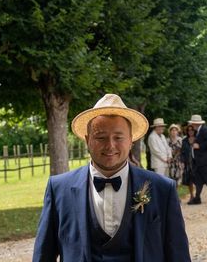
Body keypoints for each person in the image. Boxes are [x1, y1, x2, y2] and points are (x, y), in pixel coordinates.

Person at [32, 94, 190, 261]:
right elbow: (44, 255)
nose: (110, 145)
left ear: (131, 141)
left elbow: (178, 255)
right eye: (100, 137)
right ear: (87, 140)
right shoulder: (59, 189)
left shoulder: (162, 189)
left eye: (118, 137)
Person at [180, 124, 197, 202]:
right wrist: (182, 162)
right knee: (190, 180)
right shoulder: (184, 140)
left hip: (196, 162)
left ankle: (197, 195)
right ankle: (192, 196)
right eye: (189, 130)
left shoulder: (198, 139)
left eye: (192, 130)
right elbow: (182, 152)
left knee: (197, 180)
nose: (190, 131)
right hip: (188, 163)